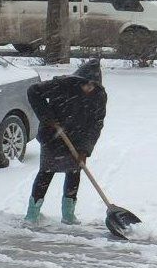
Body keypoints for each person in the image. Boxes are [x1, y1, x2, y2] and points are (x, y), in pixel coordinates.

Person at [24, 59, 107, 225]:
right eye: (86, 84)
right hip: (53, 136)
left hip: (78, 139)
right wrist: (47, 117)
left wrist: (85, 150)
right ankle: (32, 214)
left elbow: (96, 124)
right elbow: (33, 91)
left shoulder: (99, 96)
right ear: (79, 80)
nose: (89, 88)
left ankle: (68, 215)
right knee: (46, 172)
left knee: (74, 173)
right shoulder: (62, 84)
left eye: (93, 85)